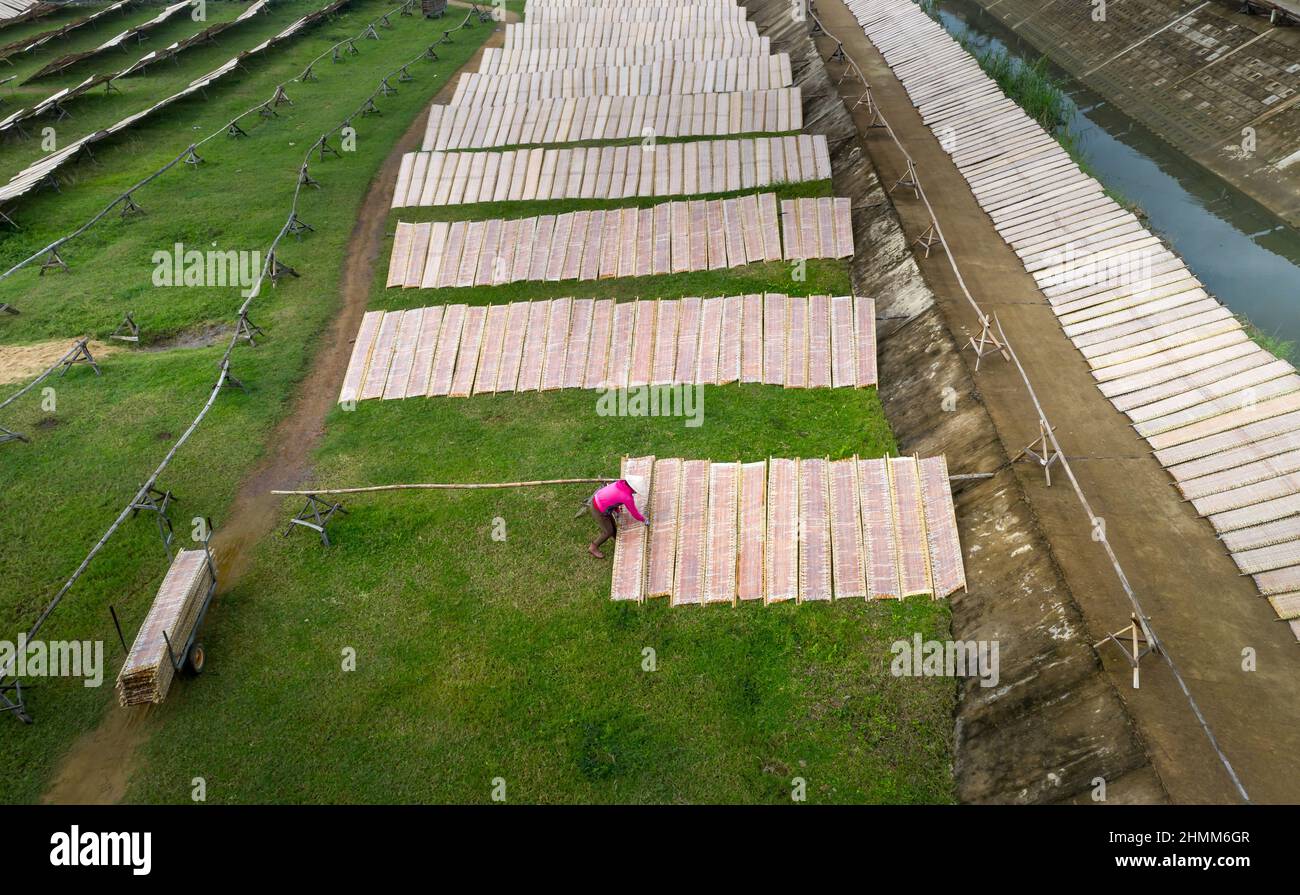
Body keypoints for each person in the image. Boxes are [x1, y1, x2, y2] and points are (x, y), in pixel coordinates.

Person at [585, 475, 648, 558]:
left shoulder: (619, 483)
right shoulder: (627, 497)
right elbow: (634, 513)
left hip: (598, 501)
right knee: (608, 531)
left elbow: (613, 498)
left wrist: (617, 510)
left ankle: (618, 542)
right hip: (599, 510)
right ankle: (593, 547)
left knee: (612, 525)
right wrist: (644, 519)